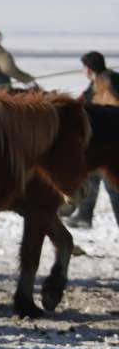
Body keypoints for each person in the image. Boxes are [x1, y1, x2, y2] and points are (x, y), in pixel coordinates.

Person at [64, 51, 119, 229]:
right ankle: (84, 215)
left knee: (112, 184)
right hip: (102, 138)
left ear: (89, 68)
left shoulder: (109, 81)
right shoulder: (99, 81)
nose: (83, 71)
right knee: (93, 177)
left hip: (111, 137)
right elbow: (84, 100)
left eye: (84, 67)